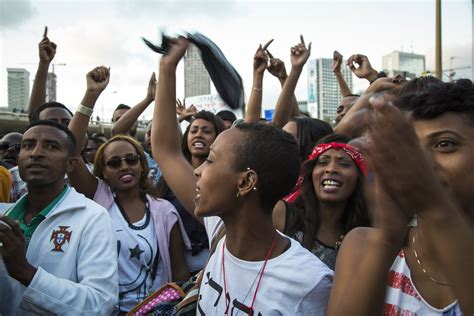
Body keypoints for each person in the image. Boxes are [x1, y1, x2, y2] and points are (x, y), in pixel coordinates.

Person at [152, 36, 333, 314]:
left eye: (211, 161)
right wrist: (168, 66)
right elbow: (166, 150)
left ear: (246, 182)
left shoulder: (310, 284)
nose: (197, 170)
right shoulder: (219, 230)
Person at [328, 82, 474, 315]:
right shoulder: (365, 246)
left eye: (445, 144)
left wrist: (436, 208)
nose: (420, 163)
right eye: (411, 149)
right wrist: (387, 238)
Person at [67, 66, 190, 314]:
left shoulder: (165, 212)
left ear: (143, 166)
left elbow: (180, 277)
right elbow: (70, 151)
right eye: (114, 163)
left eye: (131, 160)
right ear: (103, 171)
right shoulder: (97, 197)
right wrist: (91, 95)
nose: (124, 166)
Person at [0, 120, 118, 314]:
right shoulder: (4, 215)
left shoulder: (92, 217)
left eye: (51, 146)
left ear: (70, 164)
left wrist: (26, 272)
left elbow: (99, 304)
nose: (36, 153)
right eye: (28, 145)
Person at [274, 134, 371, 270]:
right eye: (323, 162)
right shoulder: (283, 215)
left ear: (358, 178)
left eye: (344, 163)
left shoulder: (368, 234)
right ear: (311, 173)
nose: (331, 169)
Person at [156, 109, 226, 274]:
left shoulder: (225, 180)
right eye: (193, 130)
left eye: (206, 131)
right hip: (172, 267)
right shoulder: (170, 178)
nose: (199, 135)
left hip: (213, 266)